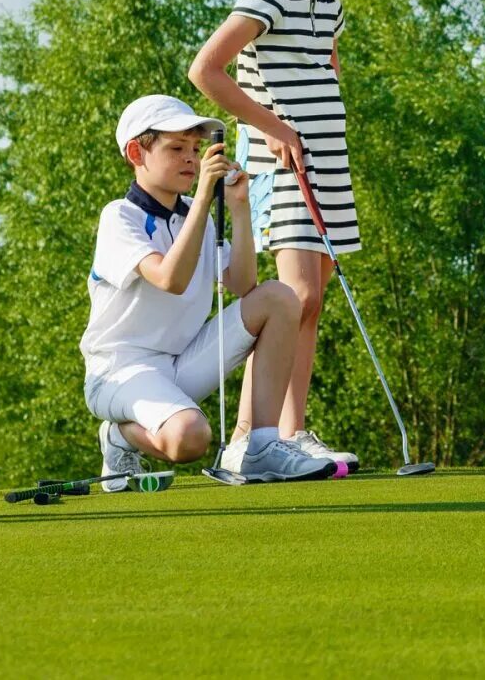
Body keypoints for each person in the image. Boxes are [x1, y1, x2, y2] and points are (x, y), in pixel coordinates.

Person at [189, 0, 363, 471]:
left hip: (326, 163)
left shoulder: (329, 3)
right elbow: (207, 71)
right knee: (295, 296)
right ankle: (251, 436)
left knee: (312, 303)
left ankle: (289, 431)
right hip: (280, 162)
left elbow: (325, 68)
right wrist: (271, 127)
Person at [83, 94, 333, 486]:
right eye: (176, 148)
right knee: (190, 438)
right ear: (136, 152)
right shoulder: (120, 216)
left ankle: (262, 444)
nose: (191, 158)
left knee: (279, 297)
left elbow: (244, 286)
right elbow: (170, 278)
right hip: (119, 373)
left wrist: (239, 209)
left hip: (181, 364)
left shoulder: (193, 214)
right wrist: (203, 196)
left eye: (195, 149)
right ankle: (117, 435)